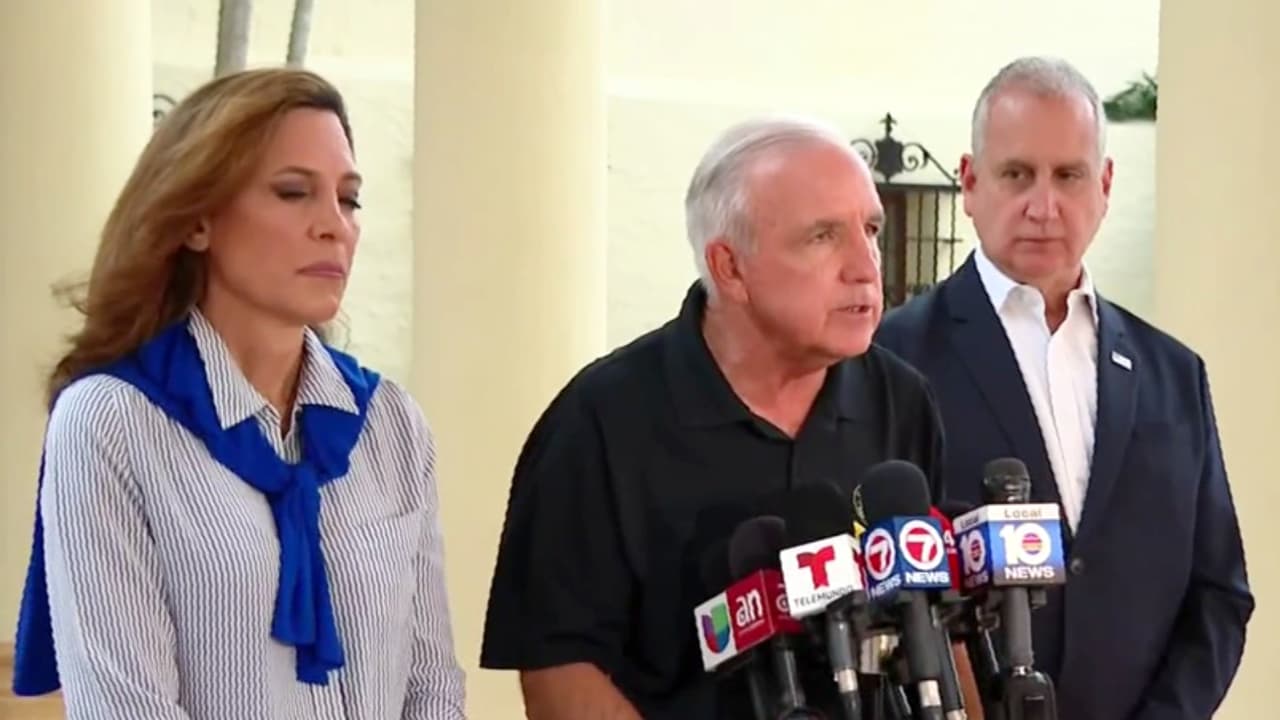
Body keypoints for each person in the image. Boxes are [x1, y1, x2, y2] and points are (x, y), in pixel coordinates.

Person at [10, 68, 467, 719]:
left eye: (349, 200)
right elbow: (126, 704)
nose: (334, 226)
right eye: (293, 192)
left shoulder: (390, 424)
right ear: (197, 220)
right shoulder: (111, 422)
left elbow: (431, 685)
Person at [478, 116, 964, 718]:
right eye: (822, 237)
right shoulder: (600, 422)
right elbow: (559, 669)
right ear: (730, 267)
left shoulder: (902, 401)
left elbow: (942, 623)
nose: (866, 266)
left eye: (870, 230)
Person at [875, 56, 1254, 719]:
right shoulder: (892, 358)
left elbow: (1218, 592)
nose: (1043, 207)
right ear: (970, 182)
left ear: (1104, 185)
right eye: (1017, 174)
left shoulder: (1174, 374)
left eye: (1068, 176)